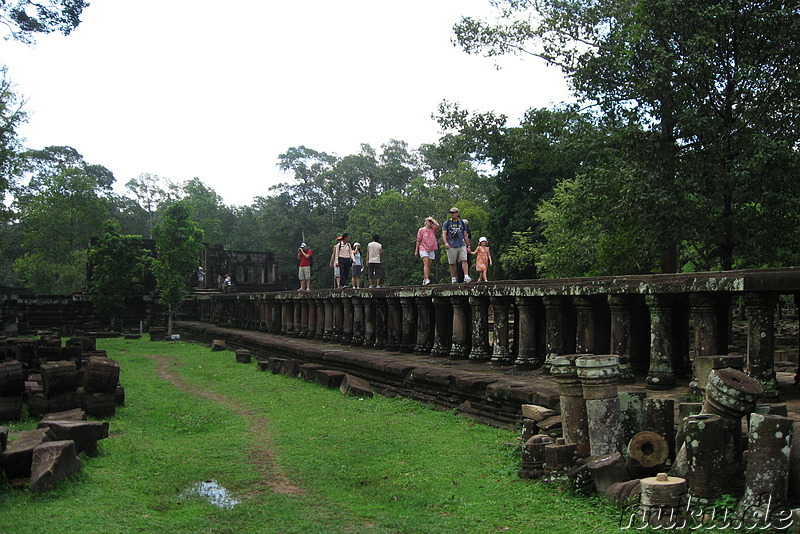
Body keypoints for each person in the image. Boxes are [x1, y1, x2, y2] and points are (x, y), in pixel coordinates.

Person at [441, 207, 472, 283]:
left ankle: (466, 276)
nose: (452, 214)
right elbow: (444, 233)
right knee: (452, 263)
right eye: (451, 213)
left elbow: (465, 235)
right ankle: (453, 278)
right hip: (451, 245)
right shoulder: (447, 223)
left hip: (461, 244)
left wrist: (468, 245)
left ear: (457, 213)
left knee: (464, 260)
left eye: (454, 213)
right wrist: (446, 243)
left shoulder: (462, 223)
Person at [415, 216, 440, 285]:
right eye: (429, 221)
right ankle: (426, 279)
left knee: (429, 264)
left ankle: (425, 278)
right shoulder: (421, 230)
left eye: (431, 222)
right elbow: (418, 240)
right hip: (423, 248)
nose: (430, 223)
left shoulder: (433, 229)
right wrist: (416, 250)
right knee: (426, 263)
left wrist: (432, 219)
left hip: (431, 248)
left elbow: (438, 225)